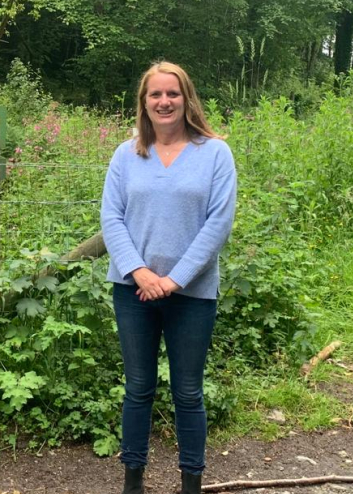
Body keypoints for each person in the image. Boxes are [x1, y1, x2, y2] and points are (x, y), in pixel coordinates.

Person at [100, 61, 237, 494]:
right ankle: (133, 483)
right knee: (138, 388)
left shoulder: (215, 153)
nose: (164, 102)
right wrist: (139, 272)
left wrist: (174, 280)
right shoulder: (126, 154)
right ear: (144, 102)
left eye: (172, 94)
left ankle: (191, 485)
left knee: (188, 393)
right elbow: (111, 217)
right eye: (155, 95)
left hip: (193, 294)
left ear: (186, 98)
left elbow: (218, 223)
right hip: (132, 291)